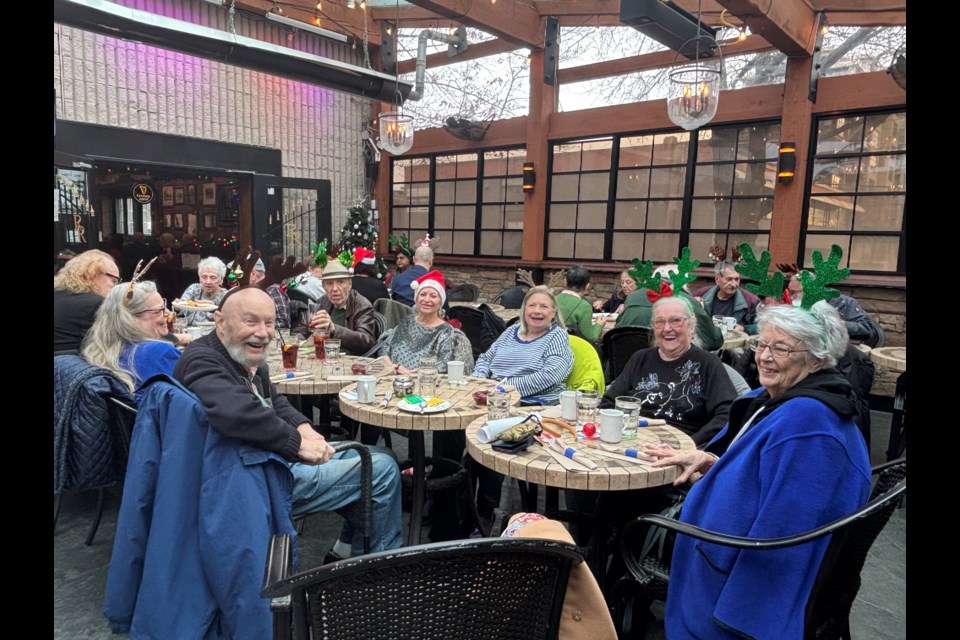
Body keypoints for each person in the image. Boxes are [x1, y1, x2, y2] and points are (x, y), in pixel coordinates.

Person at [644, 301, 871, 639]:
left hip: (723, 576)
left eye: (781, 348)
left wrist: (739, 620)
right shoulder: (777, 399)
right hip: (714, 549)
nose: (764, 356)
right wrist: (711, 461)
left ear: (818, 358)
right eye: (762, 344)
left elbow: (783, 535)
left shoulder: (809, 424)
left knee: (629, 513)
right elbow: (765, 474)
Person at [173, 286, 403, 558]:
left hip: (261, 457)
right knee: (383, 470)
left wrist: (305, 429)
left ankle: (344, 552)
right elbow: (237, 413)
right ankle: (377, 568)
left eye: (269, 322)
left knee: (380, 454)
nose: (263, 332)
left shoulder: (239, 354)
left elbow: (275, 400)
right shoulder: (201, 359)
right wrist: (297, 445)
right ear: (220, 321)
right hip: (249, 477)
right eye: (251, 321)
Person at [471, 287, 574, 532]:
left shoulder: (556, 337)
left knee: (493, 449)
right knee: (466, 446)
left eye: (544, 307)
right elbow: (486, 357)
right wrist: (479, 378)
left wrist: (504, 388)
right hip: (495, 403)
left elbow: (551, 375)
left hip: (534, 407)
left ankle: (492, 518)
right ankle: (468, 512)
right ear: (524, 309)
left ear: (553, 313)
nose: (537, 311)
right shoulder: (510, 332)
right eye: (532, 305)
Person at [603, 295, 736, 445]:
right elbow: (608, 402)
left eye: (676, 321)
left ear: (691, 326)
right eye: (659, 322)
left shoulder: (708, 364)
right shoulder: (640, 359)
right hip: (635, 441)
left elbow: (728, 414)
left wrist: (690, 445)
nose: (667, 329)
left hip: (684, 447)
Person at [81, 281, 190, 401]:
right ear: (130, 318)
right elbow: (197, 401)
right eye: (159, 310)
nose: (168, 314)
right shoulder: (159, 352)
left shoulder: (98, 351)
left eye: (165, 307)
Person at [377, 270, 474, 375]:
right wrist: (391, 366)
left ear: (440, 302)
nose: (427, 300)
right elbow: (385, 346)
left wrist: (419, 372)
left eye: (433, 296)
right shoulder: (407, 321)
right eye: (422, 294)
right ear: (416, 299)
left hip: (426, 383)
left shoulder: (446, 332)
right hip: (393, 378)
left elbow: (444, 364)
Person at [616, 263, 724, 351]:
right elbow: (713, 341)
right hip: (671, 368)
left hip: (624, 364)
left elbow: (617, 329)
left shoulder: (632, 297)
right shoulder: (688, 302)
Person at [54, 249, 121, 354]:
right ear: (91, 274)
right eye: (114, 281)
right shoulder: (98, 304)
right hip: (72, 365)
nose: (115, 287)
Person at [788, 274, 884, 347]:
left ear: (813, 288)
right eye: (789, 291)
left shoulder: (844, 302)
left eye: (794, 292)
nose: (791, 296)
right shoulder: (791, 303)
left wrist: (836, 323)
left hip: (837, 354)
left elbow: (866, 329)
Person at [305, 260, 378, 355]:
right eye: (329, 283)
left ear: (349, 284)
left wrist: (334, 328)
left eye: (340, 282)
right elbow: (302, 329)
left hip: (350, 361)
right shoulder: (322, 302)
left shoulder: (362, 306)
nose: (335, 289)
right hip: (323, 357)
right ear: (323, 286)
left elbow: (366, 341)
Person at [691, 260, 760, 334]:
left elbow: (764, 327)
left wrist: (745, 329)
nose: (734, 284)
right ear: (717, 279)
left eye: (737, 279)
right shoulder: (701, 294)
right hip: (706, 342)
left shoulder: (751, 300)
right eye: (729, 279)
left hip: (735, 343)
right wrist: (695, 307)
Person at [556, 266, 612, 343]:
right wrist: (599, 324)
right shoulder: (584, 306)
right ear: (587, 286)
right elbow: (591, 337)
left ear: (565, 282)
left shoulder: (552, 299)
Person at [174, 256, 228, 325]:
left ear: (221, 280)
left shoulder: (226, 295)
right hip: (189, 330)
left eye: (213, 277)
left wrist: (213, 308)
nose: (208, 282)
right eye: (204, 277)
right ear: (199, 278)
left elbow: (229, 318)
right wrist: (178, 307)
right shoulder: (194, 288)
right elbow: (182, 305)